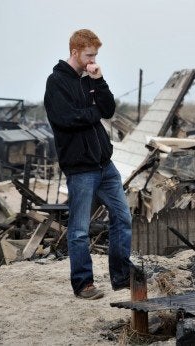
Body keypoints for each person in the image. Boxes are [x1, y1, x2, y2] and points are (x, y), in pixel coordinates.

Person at [44, 29, 133, 300]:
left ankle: (121, 277)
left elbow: (108, 110)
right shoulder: (56, 81)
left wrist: (99, 80)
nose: (93, 59)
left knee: (123, 218)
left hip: (104, 164)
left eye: (95, 55)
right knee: (80, 230)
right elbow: (64, 118)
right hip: (80, 167)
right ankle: (84, 284)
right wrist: (93, 114)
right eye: (89, 55)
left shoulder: (89, 79)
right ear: (75, 52)